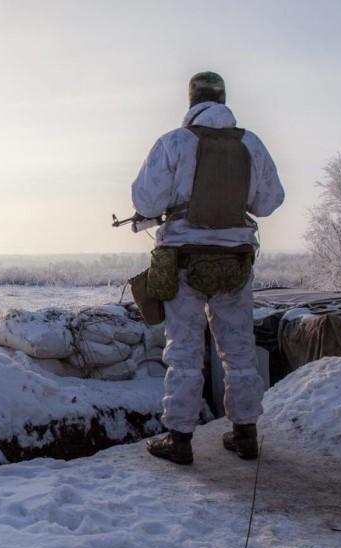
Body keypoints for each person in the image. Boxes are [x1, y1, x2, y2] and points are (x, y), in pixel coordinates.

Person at [131, 71, 285, 465]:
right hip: (235, 262)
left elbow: (146, 201)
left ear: (191, 101)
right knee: (239, 349)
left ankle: (179, 439)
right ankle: (245, 433)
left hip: (184, 259)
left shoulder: (175, 142)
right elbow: (268, 202)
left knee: (183, 351)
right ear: (223, 100)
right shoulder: (251, 143)